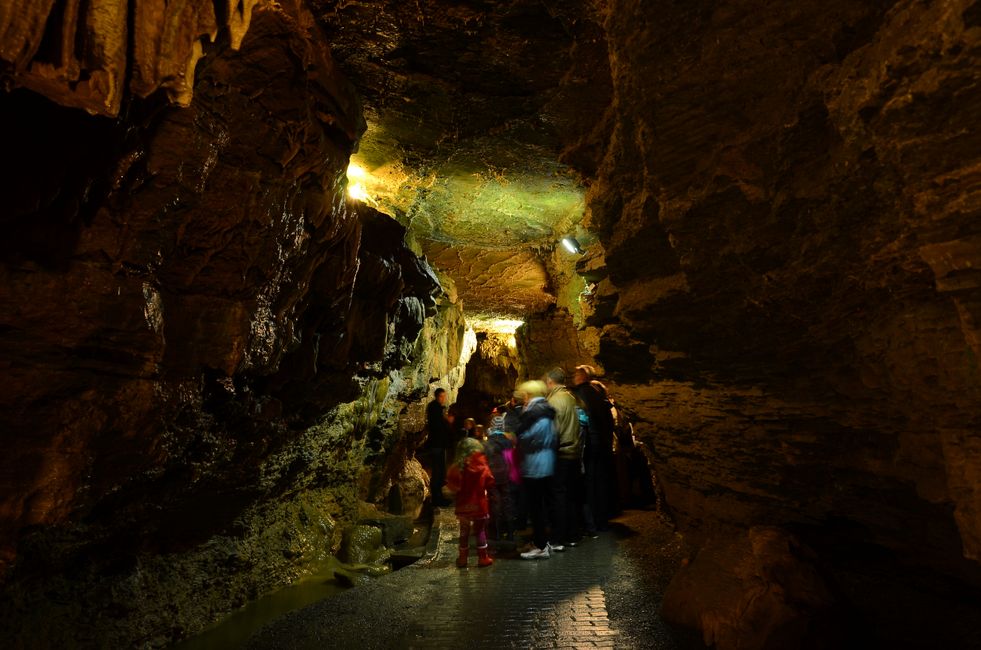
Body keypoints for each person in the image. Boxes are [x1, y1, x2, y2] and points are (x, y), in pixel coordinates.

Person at [515, 380, 558, 560]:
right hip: (542, 463)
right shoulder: (544, 411)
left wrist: (518, 438)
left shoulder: (538, 415)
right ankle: (541, 542)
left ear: (529, 395)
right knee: (539, 507)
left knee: (537, 509)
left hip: (536, 466)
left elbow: (529, 438)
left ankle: (541, 546)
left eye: (524, 396)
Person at [571, 365, 615, 534]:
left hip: (590, 445)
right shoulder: (598, 392)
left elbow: (583, 422)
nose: (574, 377)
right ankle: (603, 518)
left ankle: (594, 522)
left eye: (576, 374)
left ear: (582, 376)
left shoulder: (582, 394)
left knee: (590, 485)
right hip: (602, 444)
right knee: (601, 483)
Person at [544, 367, 581, 551]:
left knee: (558, 496)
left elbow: (553, 432)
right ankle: (573, 534)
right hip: (574, 452)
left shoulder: (554, 401)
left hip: (561, 454)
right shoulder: (571, 398)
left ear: (550, 382)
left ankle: (558, 537)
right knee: (572, 495)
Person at [446, 437, 496, 568]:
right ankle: (483, 558)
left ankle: (463, 559)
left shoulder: (457, 467)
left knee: (464, 532)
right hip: (479, 504)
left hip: (463, 505)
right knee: (480, 531)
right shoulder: (482, 465)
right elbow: (490, 481)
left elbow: (452, 486)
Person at [484, 414, 515, 541]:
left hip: (492, 476)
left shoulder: (489, 442)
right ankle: (510, 532)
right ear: (502, 427)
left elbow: (485, 460)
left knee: (494, 502)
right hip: (505, 475)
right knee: (507, 501)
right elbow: (511, 459)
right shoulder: (507, 442)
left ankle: (495, 532)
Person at [424, 387, 453, 507]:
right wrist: (446, 420)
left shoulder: (435, 408)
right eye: (442, 396)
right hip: (437, 444)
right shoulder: (435, 408)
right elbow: (438, 427)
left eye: (444, 396)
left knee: (440, 471)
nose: (444, 399)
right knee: (438, 471)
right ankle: (437, 499)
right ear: (437, 396)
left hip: (438, 444)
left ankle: (438, 497)